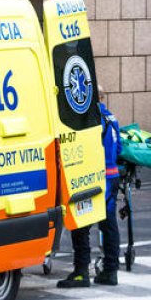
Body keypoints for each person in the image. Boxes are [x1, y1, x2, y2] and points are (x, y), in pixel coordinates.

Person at [57, 100, 122, 288]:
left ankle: (81, 272)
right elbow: (119, 149)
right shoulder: (111, 117)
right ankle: (111, 271)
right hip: (112, 175)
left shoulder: (91, 119)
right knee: (109, 225)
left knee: (81, 224)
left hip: (96, 177)